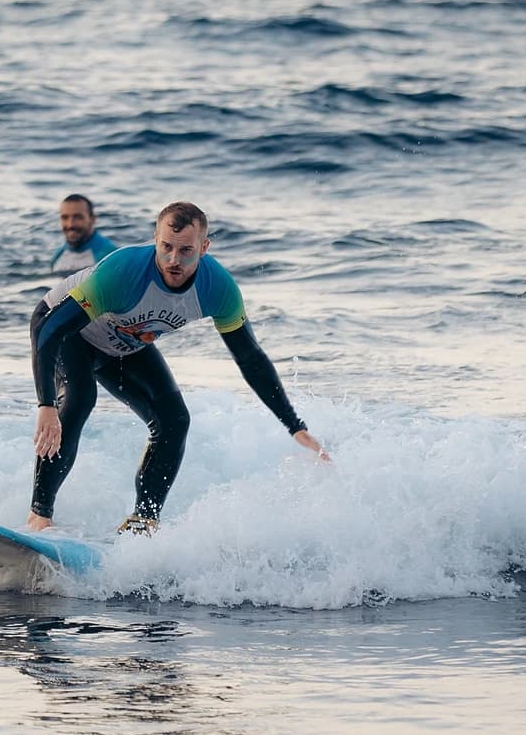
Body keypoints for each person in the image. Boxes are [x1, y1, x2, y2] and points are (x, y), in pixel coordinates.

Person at [28, 202, 330, 535]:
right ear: (155, 239)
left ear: (204, 247)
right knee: (80, 398)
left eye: (186, 251)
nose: (174, 260)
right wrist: (46, 404)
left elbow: (251, 359)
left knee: (174, 421)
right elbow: (51, 329)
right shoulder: (123, 272)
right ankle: (39, 517)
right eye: (166, 247)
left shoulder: (218, 289)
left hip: (123, 347)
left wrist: (294, 426)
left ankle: (142, 524)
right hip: (66, 332)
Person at [51, 194, 119, 275]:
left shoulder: (110, 256)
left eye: (78, 217)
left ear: (92, 219)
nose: (70, 225)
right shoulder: (57, 257)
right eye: (65, 218)